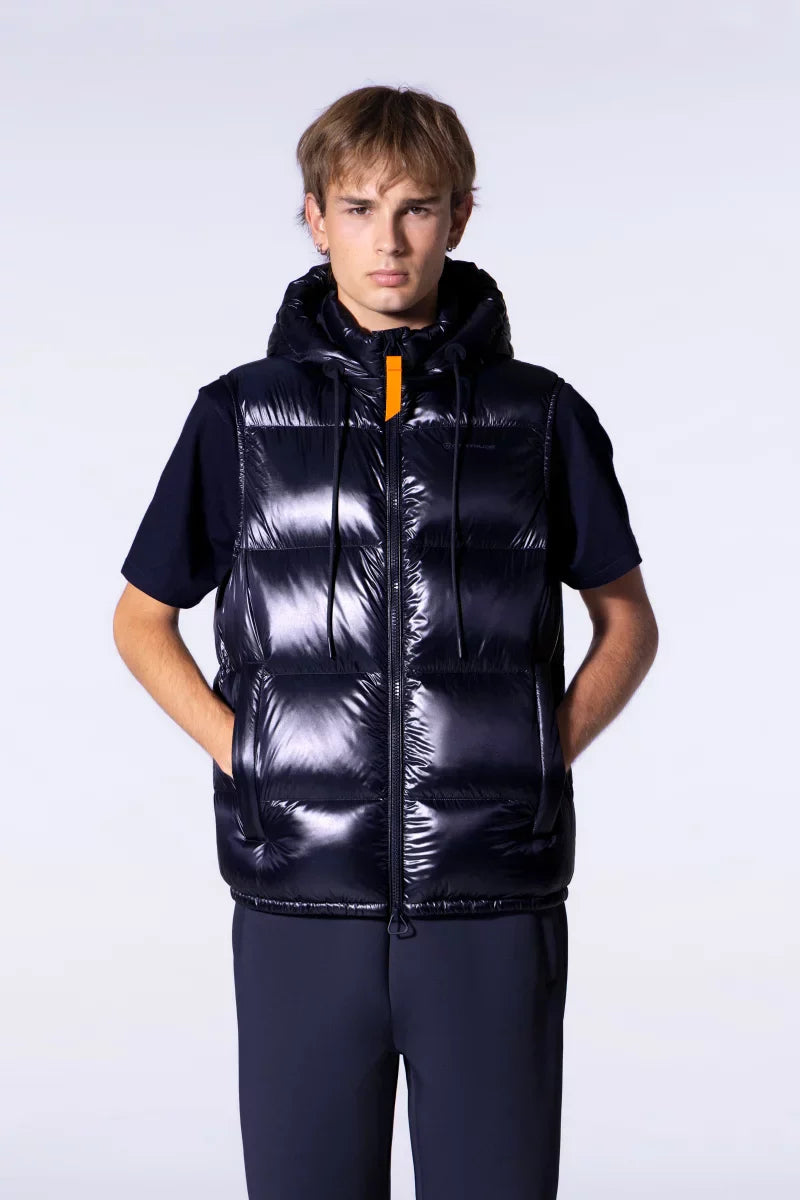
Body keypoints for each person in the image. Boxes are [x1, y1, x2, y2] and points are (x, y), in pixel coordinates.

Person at [114, 84, 658, 1200]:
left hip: (490, 897)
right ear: (316, 220)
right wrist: (249, 754)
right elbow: (140, 619)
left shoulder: (539, 416)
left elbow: (627, 622)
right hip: (298, 894)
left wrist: (537, 754)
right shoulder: (240, 417)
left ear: (459, 216)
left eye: (416, 208)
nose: (389, 240)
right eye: (359, 208)